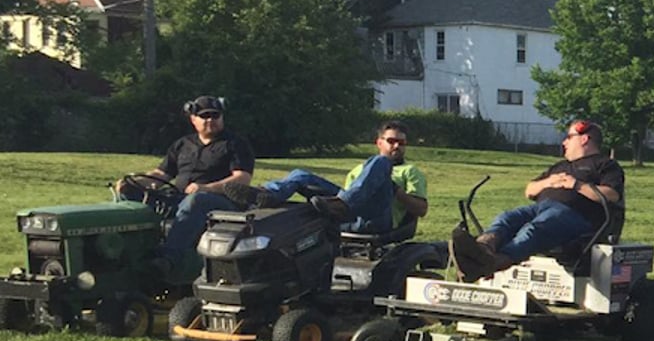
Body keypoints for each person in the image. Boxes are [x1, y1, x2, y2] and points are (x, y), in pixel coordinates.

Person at [448, 119, 624, 281]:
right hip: (542, 208)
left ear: (584, 139)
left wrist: (576, 185)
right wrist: (549, 181)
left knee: (534, 228)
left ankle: (493, 262)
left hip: (577, 217)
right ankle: (481, 249)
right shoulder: (560, 166)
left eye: (569, 137)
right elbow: (529, 190)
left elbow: (612, 194)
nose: (564, 143)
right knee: (506, 218)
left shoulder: (605, 165)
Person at [122, 95, 256, 282]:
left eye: (215, 115)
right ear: (193, 119)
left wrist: (206, 188)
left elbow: (242, 179)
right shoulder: (183, 144)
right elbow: (163, 174)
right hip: (179, 198)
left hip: (220, 204)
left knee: (196, 200)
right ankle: (126, 260)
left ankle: (168, 259)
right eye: (204, 116)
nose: (210, 120)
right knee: (129, 194)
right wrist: (136, 182)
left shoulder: (234, 144)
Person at [254, 120, 428, 234]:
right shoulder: (361, 168)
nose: (397, 146)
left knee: (382, 162)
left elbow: (421, 210)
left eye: (402, 143)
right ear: (379, 142)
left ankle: (343, 203)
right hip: (349, 214)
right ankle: (264, 196)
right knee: (301, 175)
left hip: (378, 217)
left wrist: (395, 189)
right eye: (391, 141)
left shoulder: (409, 171)